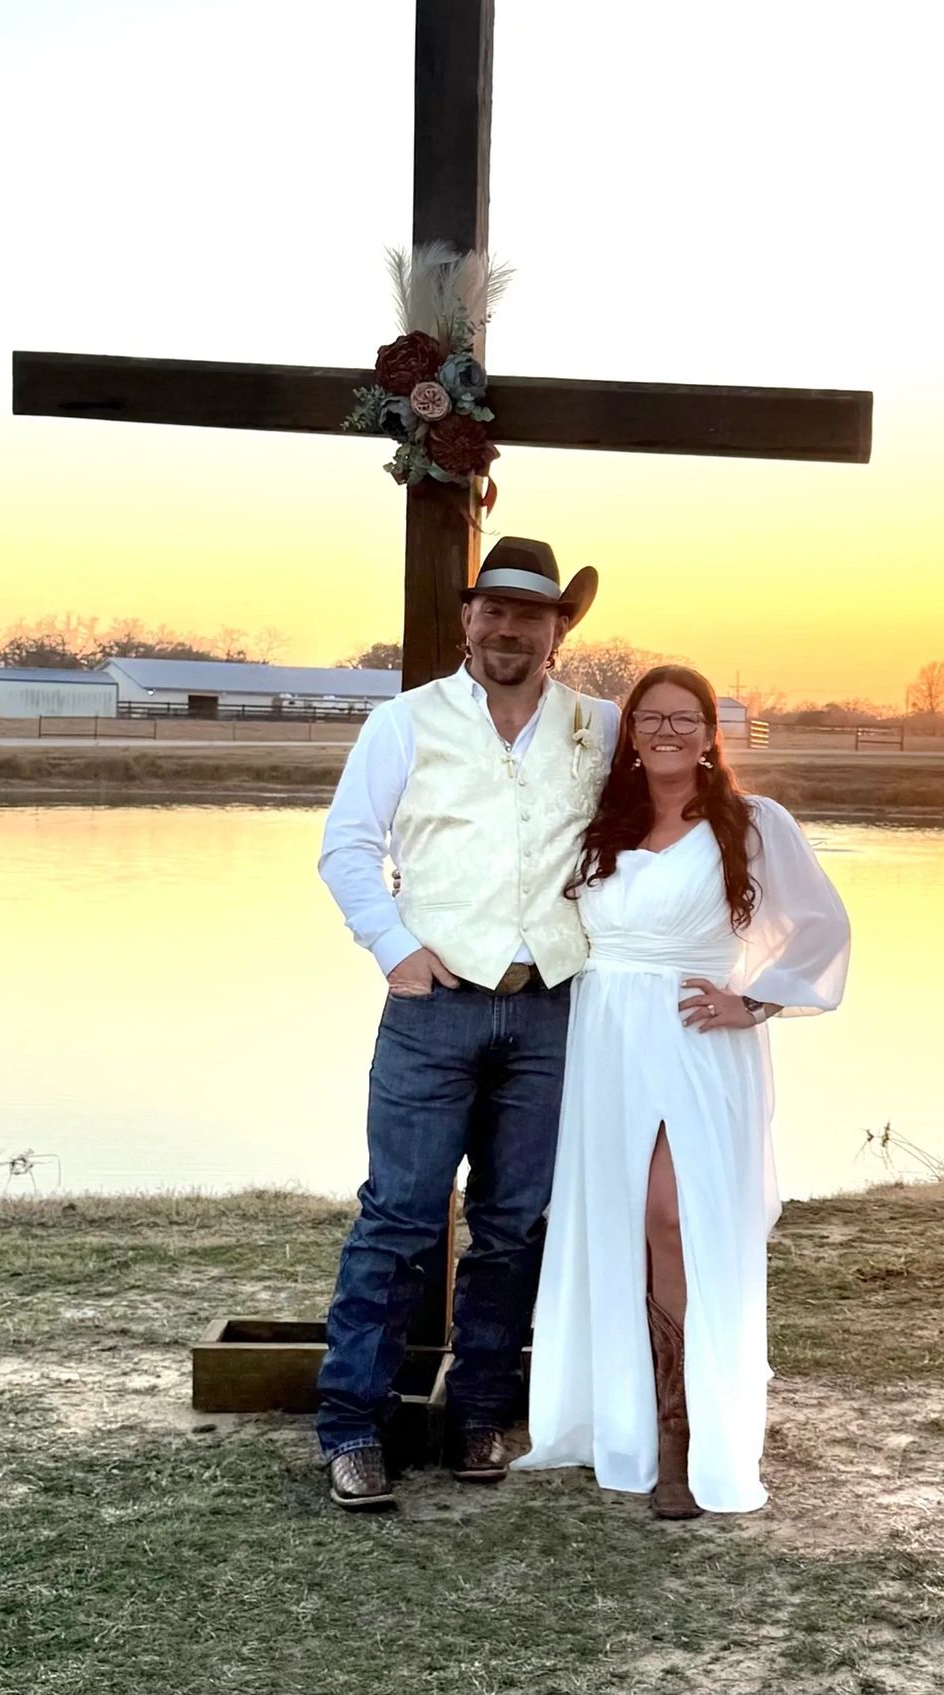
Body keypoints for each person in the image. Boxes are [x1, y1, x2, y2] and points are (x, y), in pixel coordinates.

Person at [312, 536, 619, 1511]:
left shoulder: (599, 728)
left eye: (529, 615)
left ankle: (479, 1410)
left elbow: (657, 833)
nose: (507, 630)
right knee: (398, 1217)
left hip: (550, 1008)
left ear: (558, 630)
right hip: (432, 1008)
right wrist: (394, 949)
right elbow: (347, 846)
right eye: (492, 611)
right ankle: (353, 1427)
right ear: (468, 620)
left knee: (512, 1222)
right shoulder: (403, 722)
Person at [514, 665, 850, 1517]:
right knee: (618, 1215)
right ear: (631, 730)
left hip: (699, 1037)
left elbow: (822, 926)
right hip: (605, 1037)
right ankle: (628, 1410)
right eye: (651, 717)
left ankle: (684, 1430)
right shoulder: (604, 821)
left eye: (685, 718)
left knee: (674, 1213)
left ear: (711, 731)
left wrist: (756, 998)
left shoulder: (751, 823)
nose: (667, 731)